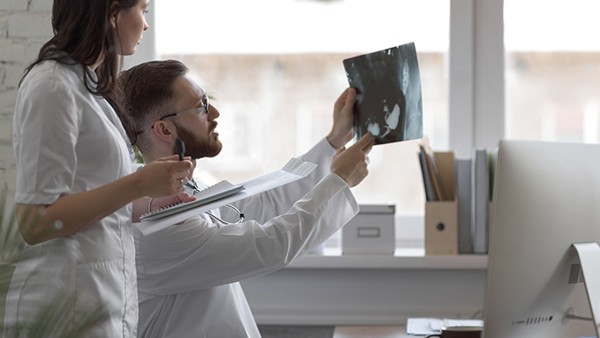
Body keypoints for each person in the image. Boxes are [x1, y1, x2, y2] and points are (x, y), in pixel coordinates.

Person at [117, 59, 375, 338]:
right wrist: (339, 181)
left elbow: (260, 204)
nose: (214, 112)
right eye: (200, 106)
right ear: (165, 130)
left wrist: (334, 140)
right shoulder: (158, 223)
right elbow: (270, 246)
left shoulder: (185, 188)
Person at [3, 2, 194, 338]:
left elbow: (92, 196)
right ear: (112, 12)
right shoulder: (52, 86)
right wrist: (137, 184)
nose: (145, 25)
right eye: (143, 10)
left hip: (100, 300)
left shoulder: (89, 90)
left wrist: (151, 203)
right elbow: (36, 221)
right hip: (65, 306)